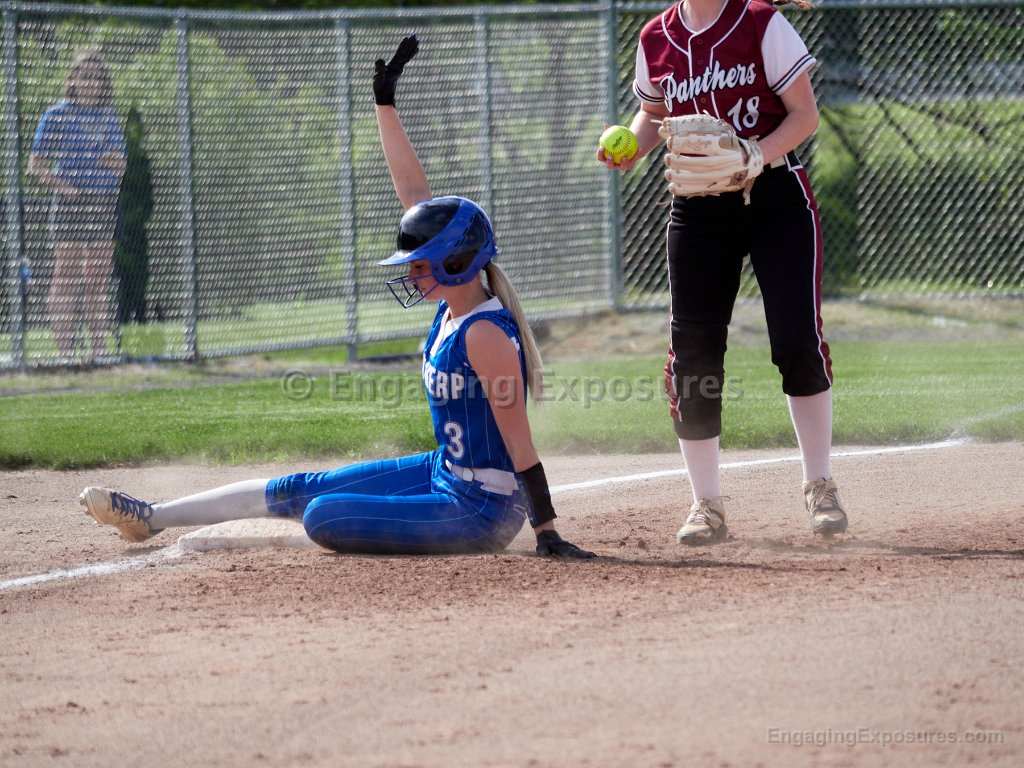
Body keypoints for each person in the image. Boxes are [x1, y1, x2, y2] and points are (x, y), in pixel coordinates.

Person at [78, 35, 594, 560]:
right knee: (301, 488)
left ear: (457, 262)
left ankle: (247, 538)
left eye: (421, 264)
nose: (411, 273)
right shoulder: (454, 307)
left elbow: (520, 445)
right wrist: (385, 104)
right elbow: (416, 198)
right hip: (445, 474)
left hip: (481, 511)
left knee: (324, 513)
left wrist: (547, 533)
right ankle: (152, 518)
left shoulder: (484, 333)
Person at [599, 0, 848, 543]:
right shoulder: (656, 37)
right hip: (697, 206)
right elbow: (655, 114)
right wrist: (632, 145)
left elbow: (804, 115)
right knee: (692, 352)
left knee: (797, 340)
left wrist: (754, 155)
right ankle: (706, 504)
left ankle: (820, 485)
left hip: (776, 197)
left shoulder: (759, 21)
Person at [29, 49, 126, 362]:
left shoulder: (108, 116)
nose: (90, 83)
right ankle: (66, 355)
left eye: (97, 78)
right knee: (66, 274)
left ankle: (99, 352)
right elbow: (36, 164)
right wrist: (65, 189)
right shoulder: (56, 115)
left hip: (103, 200)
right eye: (84, 76)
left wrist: (115, 162)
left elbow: (122, 165)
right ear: (72, 79)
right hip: (71, 201)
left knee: (97, 277)